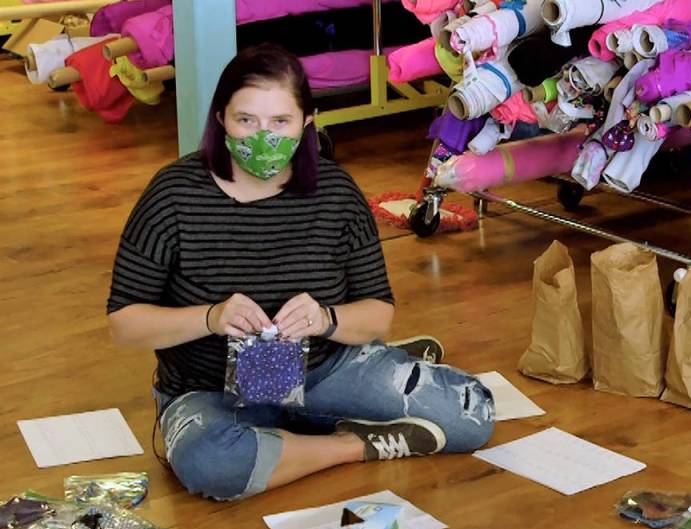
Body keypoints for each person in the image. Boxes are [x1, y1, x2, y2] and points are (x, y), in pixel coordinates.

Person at [106, 44, 495, 501]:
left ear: (307, 122)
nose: (263, 138)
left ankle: (320, 412)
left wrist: (327, 319)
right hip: (207, 391)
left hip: (322, 369)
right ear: (220, 119)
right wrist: (209, 317)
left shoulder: (336, 193)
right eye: (246, 120)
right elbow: (123, 324)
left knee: (471, 417)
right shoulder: (173, 194)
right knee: (209, 462)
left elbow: (378, 311)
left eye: (280, 122)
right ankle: (354, 443)